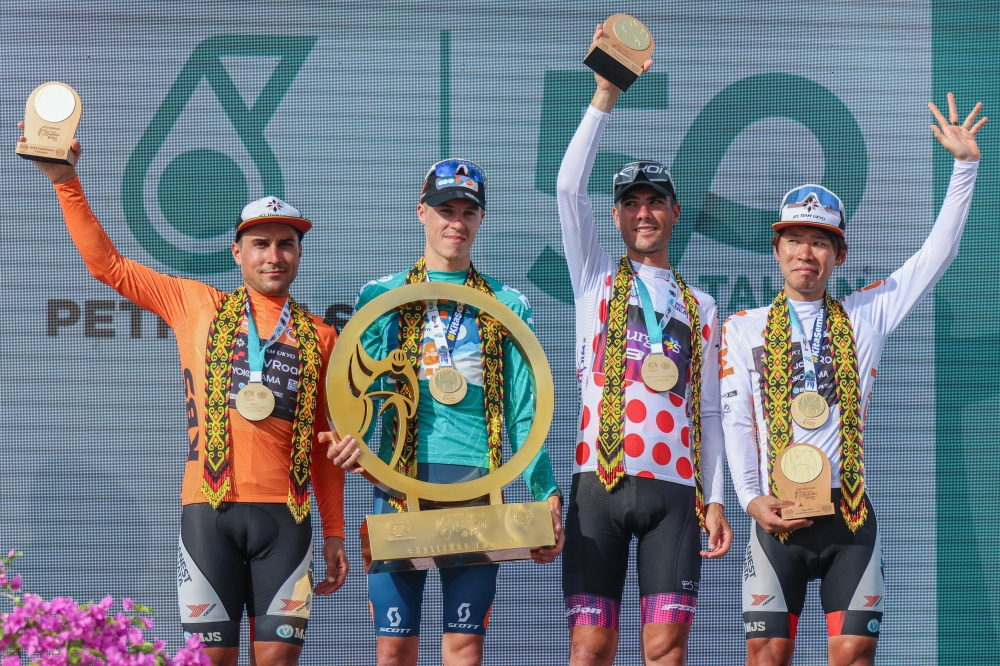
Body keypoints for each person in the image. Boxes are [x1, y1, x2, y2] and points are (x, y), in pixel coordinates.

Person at [19, 127, 349, 666]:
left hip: (286, 522)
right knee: (209, 663)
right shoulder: (194, 303)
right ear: (237, 251)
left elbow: (322, 444)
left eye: (286, 243)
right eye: (261, 244)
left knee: (278, 662)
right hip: (207, 516)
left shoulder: (322, 336)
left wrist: (333, 531)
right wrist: (66, 182)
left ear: (298, 253)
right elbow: (111, 268)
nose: (274, 256)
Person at [720, 94, 985, 666]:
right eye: (794, 239)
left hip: (849, 515)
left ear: (837, 255)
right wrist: (750, 500)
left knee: (855, 656)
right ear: (777, 249)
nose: (805, 253)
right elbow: (737, 421)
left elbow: (935, 256)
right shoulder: (742, 328)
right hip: (778, 517)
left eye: (819, 241)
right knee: (766, 656)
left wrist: (964, 168)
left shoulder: (866, 314)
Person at [325, 158, 565, 666]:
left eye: (467, 211)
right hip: (396, 485)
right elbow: (355, 392)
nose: (455, 222)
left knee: (463, 647)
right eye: (444, 209)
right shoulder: (380, 297)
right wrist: (351, 441)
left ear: (481, 220)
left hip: (478, 483)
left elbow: (526, 408)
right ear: (421, 212)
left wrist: (545, 491)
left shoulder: (507, 303)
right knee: (392, 649)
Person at [555, 26, 733, 666]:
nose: (644, 213)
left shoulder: (702, 306)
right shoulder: (594, 277)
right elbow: (568, 190)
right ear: (617, 217)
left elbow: (710, 412)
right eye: (631, 203)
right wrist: (604, 96)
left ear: (675, 213)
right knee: (590, 646)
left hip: (673, 491)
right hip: (596, 484)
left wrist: (716, 499)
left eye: (655, 202)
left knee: (666, 649)